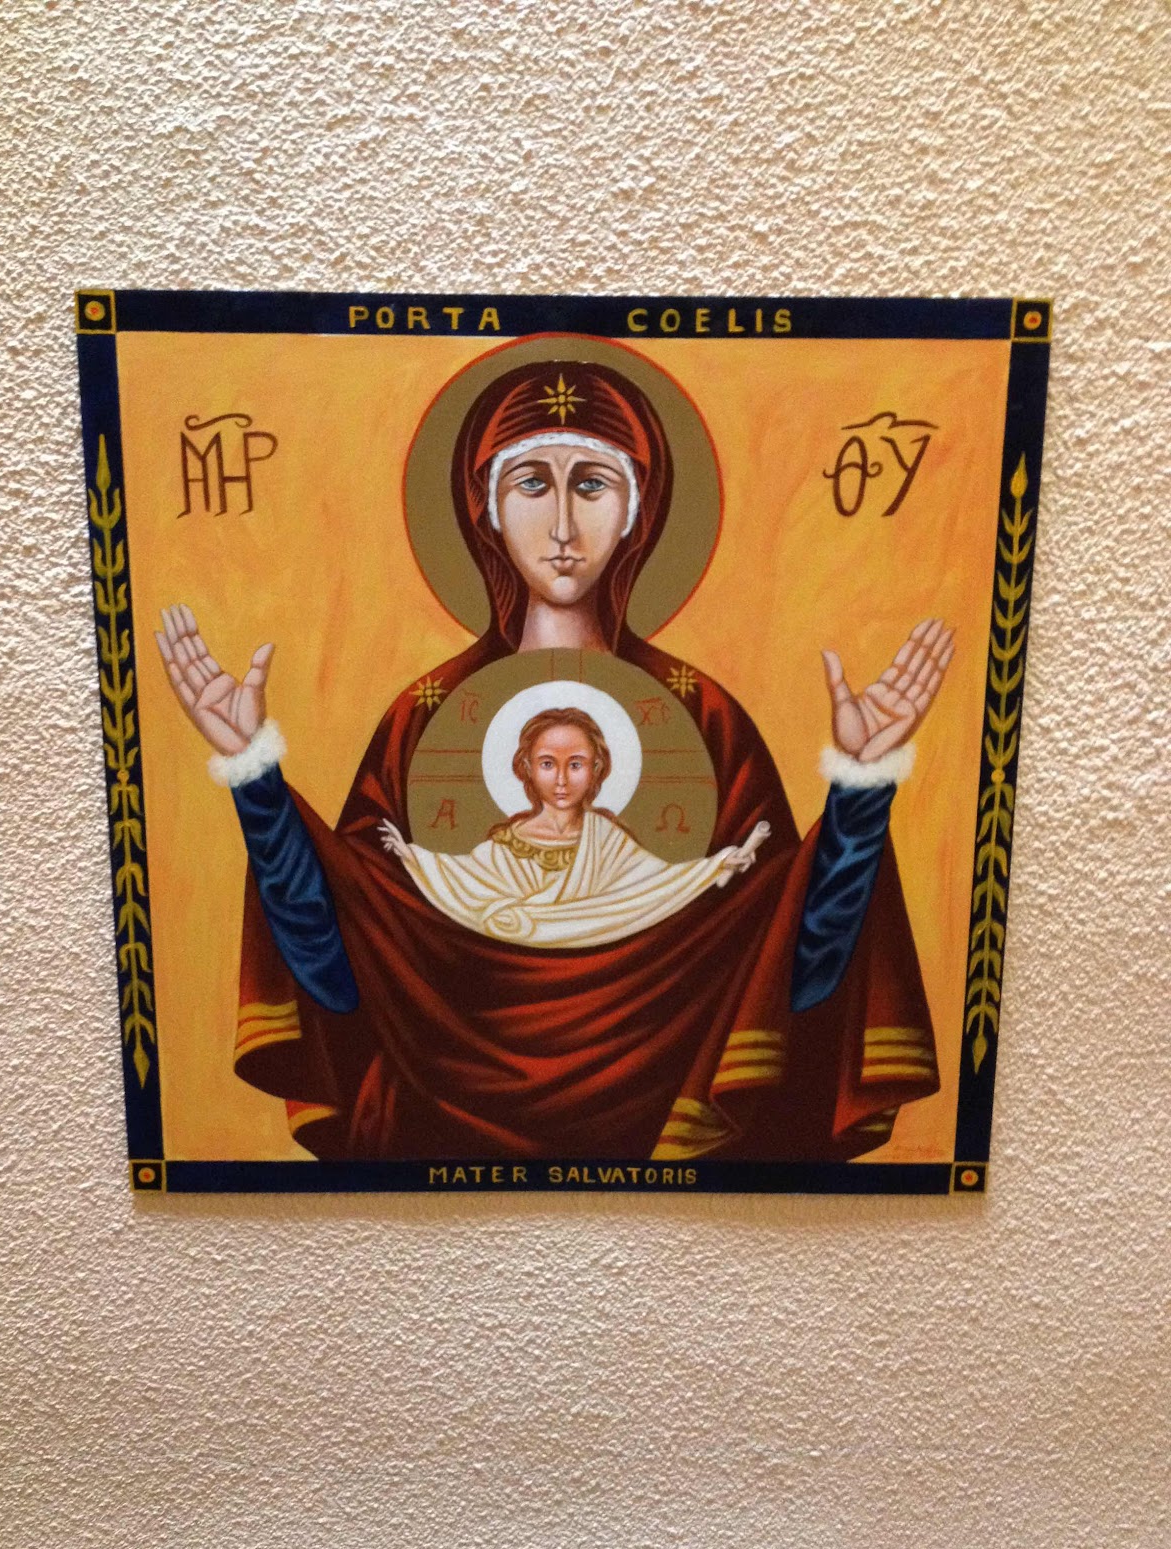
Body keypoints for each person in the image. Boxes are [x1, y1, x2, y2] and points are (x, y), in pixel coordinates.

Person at [156, 355, 954, 1162]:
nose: (564, 527)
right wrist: (253, 774)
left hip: (671, 1124)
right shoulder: (422, 719)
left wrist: (860, 788)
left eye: (593, 485)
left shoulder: (704, 720)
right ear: (487, 510)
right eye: (532, 483)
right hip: (436, 1124)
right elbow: (339, 966)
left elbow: (793, 973)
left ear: (637, 512)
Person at [379, 705, 773, 947]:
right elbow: (462, 880)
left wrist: (716, 866)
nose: (562, 779)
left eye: (576, 764)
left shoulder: (607, 841)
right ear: (526, 768)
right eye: (547, 764)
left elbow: (654, 886)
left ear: (597, 768)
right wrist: (412, 857)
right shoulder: (505, 845)